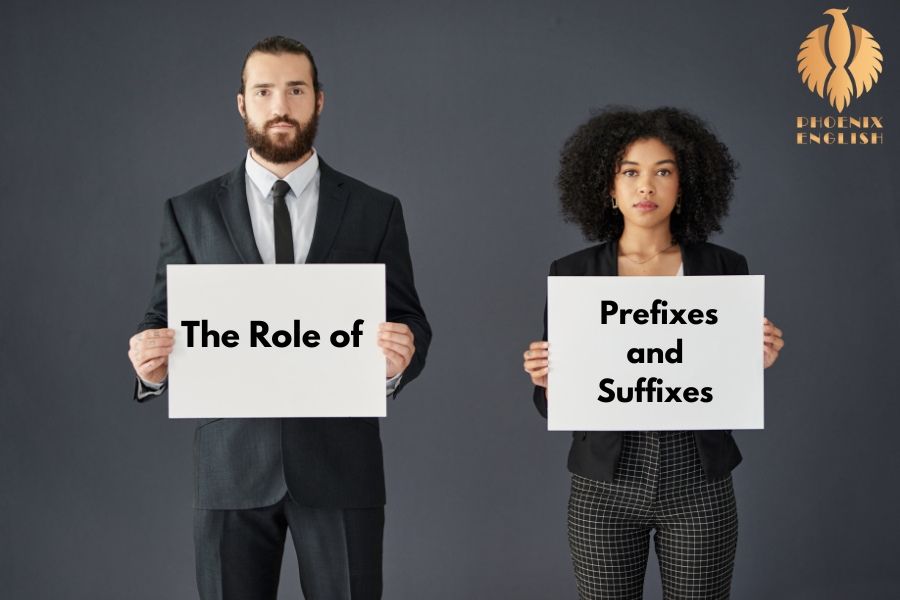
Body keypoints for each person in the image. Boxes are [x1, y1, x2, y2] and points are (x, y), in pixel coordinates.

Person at [126, 36, 431, 600]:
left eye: (295, 89)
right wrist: (149, 370)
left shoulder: (374, 209)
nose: (280, 105)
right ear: (242, 103)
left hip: (342, 467)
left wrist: (398, 363)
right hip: (230, 468)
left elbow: (409, 318)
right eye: (264, 90)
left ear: (319, 100)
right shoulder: (189, 211)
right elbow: (161, 316)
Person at [522, 107, 784, 600]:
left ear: (684, 186)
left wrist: (757, 362)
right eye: (630, 172)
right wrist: (547, 385)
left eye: (663, 171)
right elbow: (555, 406)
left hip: (699, 482)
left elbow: (723, 377)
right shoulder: (572, 273)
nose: (646, 187)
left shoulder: (725, 267)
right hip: (604, 486)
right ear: (608, 187)